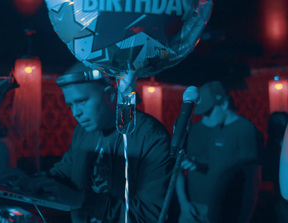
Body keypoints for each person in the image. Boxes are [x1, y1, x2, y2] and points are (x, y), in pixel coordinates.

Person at [26, 63, 174, 222]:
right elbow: (64, 174)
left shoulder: (150, 136)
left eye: (82, 101)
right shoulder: (82, 132)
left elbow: (150, 214)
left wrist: (82, 201)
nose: (76, 113)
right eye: (71, 105)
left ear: (110, 94)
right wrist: (29, 182)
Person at [176, 81, 263, 223]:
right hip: (191, 209)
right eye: (202, 113)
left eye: (209, 112)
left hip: (225, 210)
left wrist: (245, 217)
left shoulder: (245, 129)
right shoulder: (196, 129)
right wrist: (183, 204)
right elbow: (178, 168)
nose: (205, 118)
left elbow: (252, 179)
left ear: (224, 104)